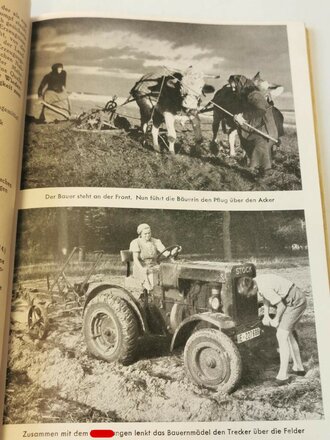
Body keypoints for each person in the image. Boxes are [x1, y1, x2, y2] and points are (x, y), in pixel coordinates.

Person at [237, 274, 306, 385]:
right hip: (290, 299)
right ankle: (299, 368)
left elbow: (281, 306)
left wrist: (276, 319)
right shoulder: (256, 281)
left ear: (253, 287)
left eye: (249, 294)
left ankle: (283, 376)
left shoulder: (263, 287)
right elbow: (266, 297)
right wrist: (266, 315)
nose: (249, 296)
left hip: (295, 301)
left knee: (281, 335)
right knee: (288, 335)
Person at [229, 74, 282, 172]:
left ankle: (263, 171)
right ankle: (257, 168)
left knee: (260, 145)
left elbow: (261, 110)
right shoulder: (245, 94)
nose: (233, 90)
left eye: (234, 87)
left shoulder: (253, 95)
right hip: (258, 123)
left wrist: (243, 116)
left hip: (265, 125)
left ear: (240, 84)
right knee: (253, 144)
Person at [129, 224, 180, 291]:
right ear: (140, 234)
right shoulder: (136, 242)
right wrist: (142, 269)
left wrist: (173, 252)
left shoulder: (156, 241)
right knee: (151, 277)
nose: (148, 235)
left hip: (154, 265)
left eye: (149, 233)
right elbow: (135, 259)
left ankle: (166, 293)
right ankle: (152, 291)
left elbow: (166, 253)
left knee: (169, 272)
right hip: (141, 267)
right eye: (145, 234)